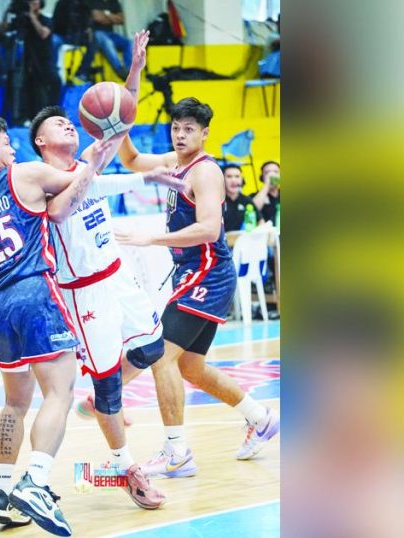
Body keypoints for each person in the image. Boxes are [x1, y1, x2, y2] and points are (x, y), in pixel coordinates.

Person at [27, 28, 182, 513]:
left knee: (152, 347)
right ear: (41, 141)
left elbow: (120, 117)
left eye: (70, 122)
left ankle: (99, 403)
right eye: (59, 125)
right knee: (109, 379)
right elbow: (61, 210)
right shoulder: (39, 181)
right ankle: (125, 466)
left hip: (116, 273)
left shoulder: (87, 160)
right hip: (83, 292)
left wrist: (134, 70)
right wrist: (103, 169)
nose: (69, 127)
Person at [0, 115, 115, 537]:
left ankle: (2, 492)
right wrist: (94, 160)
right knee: (60, 393)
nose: (12, 148)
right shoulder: (24, 174)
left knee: (14, 404)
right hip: (35, 294)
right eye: (5, 142)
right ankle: (36, 482)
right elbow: (75, 187)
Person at [113, 97, 281, 477]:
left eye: (189, 129)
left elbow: (208, 229)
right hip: (194, 272)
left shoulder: (205, 173)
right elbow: (132, 161)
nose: (180, 134)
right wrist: (118, 126)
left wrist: (150, 239)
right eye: (176, 128)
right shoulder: (174, 161)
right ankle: (260, 418)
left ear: (204, 134)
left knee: (161, 356)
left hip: (208, 272)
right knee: (190, 366)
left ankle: (176, 452)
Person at [10, 0, 62, 124]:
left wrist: (32, 17)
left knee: (55, 81)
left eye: (35, 1)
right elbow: (7, 31)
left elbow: (43, 33)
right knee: (28, 87)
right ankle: (25, 117)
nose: (32, 3)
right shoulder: (22, 21)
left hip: (45, 60)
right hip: (28, 61)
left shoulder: (46, 20)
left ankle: (53, 114)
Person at [74, 0, 132, 82]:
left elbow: (121, 19)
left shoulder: (114, 2)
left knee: (128, 43)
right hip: (97, 33)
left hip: (111, 34)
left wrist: (105, 15)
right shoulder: (92, 2)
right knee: (107, 42)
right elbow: (96, 17)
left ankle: (130, 72)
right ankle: (120, 70)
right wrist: (112, 17)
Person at [222, 164, 262, 231]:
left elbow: (261, 221)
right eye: (229, 176)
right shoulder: (217, 200)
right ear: (222, 179)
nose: (233, 180)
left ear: (242, 179)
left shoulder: (246, 200)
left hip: (243, 236)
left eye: (237, 176)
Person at [252, 160, 280, 227]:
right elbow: (253, 210)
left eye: (275, 172)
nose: (272, 175)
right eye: (267, 173)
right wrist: (267, 185)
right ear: (262, 177)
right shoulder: (255, 196)